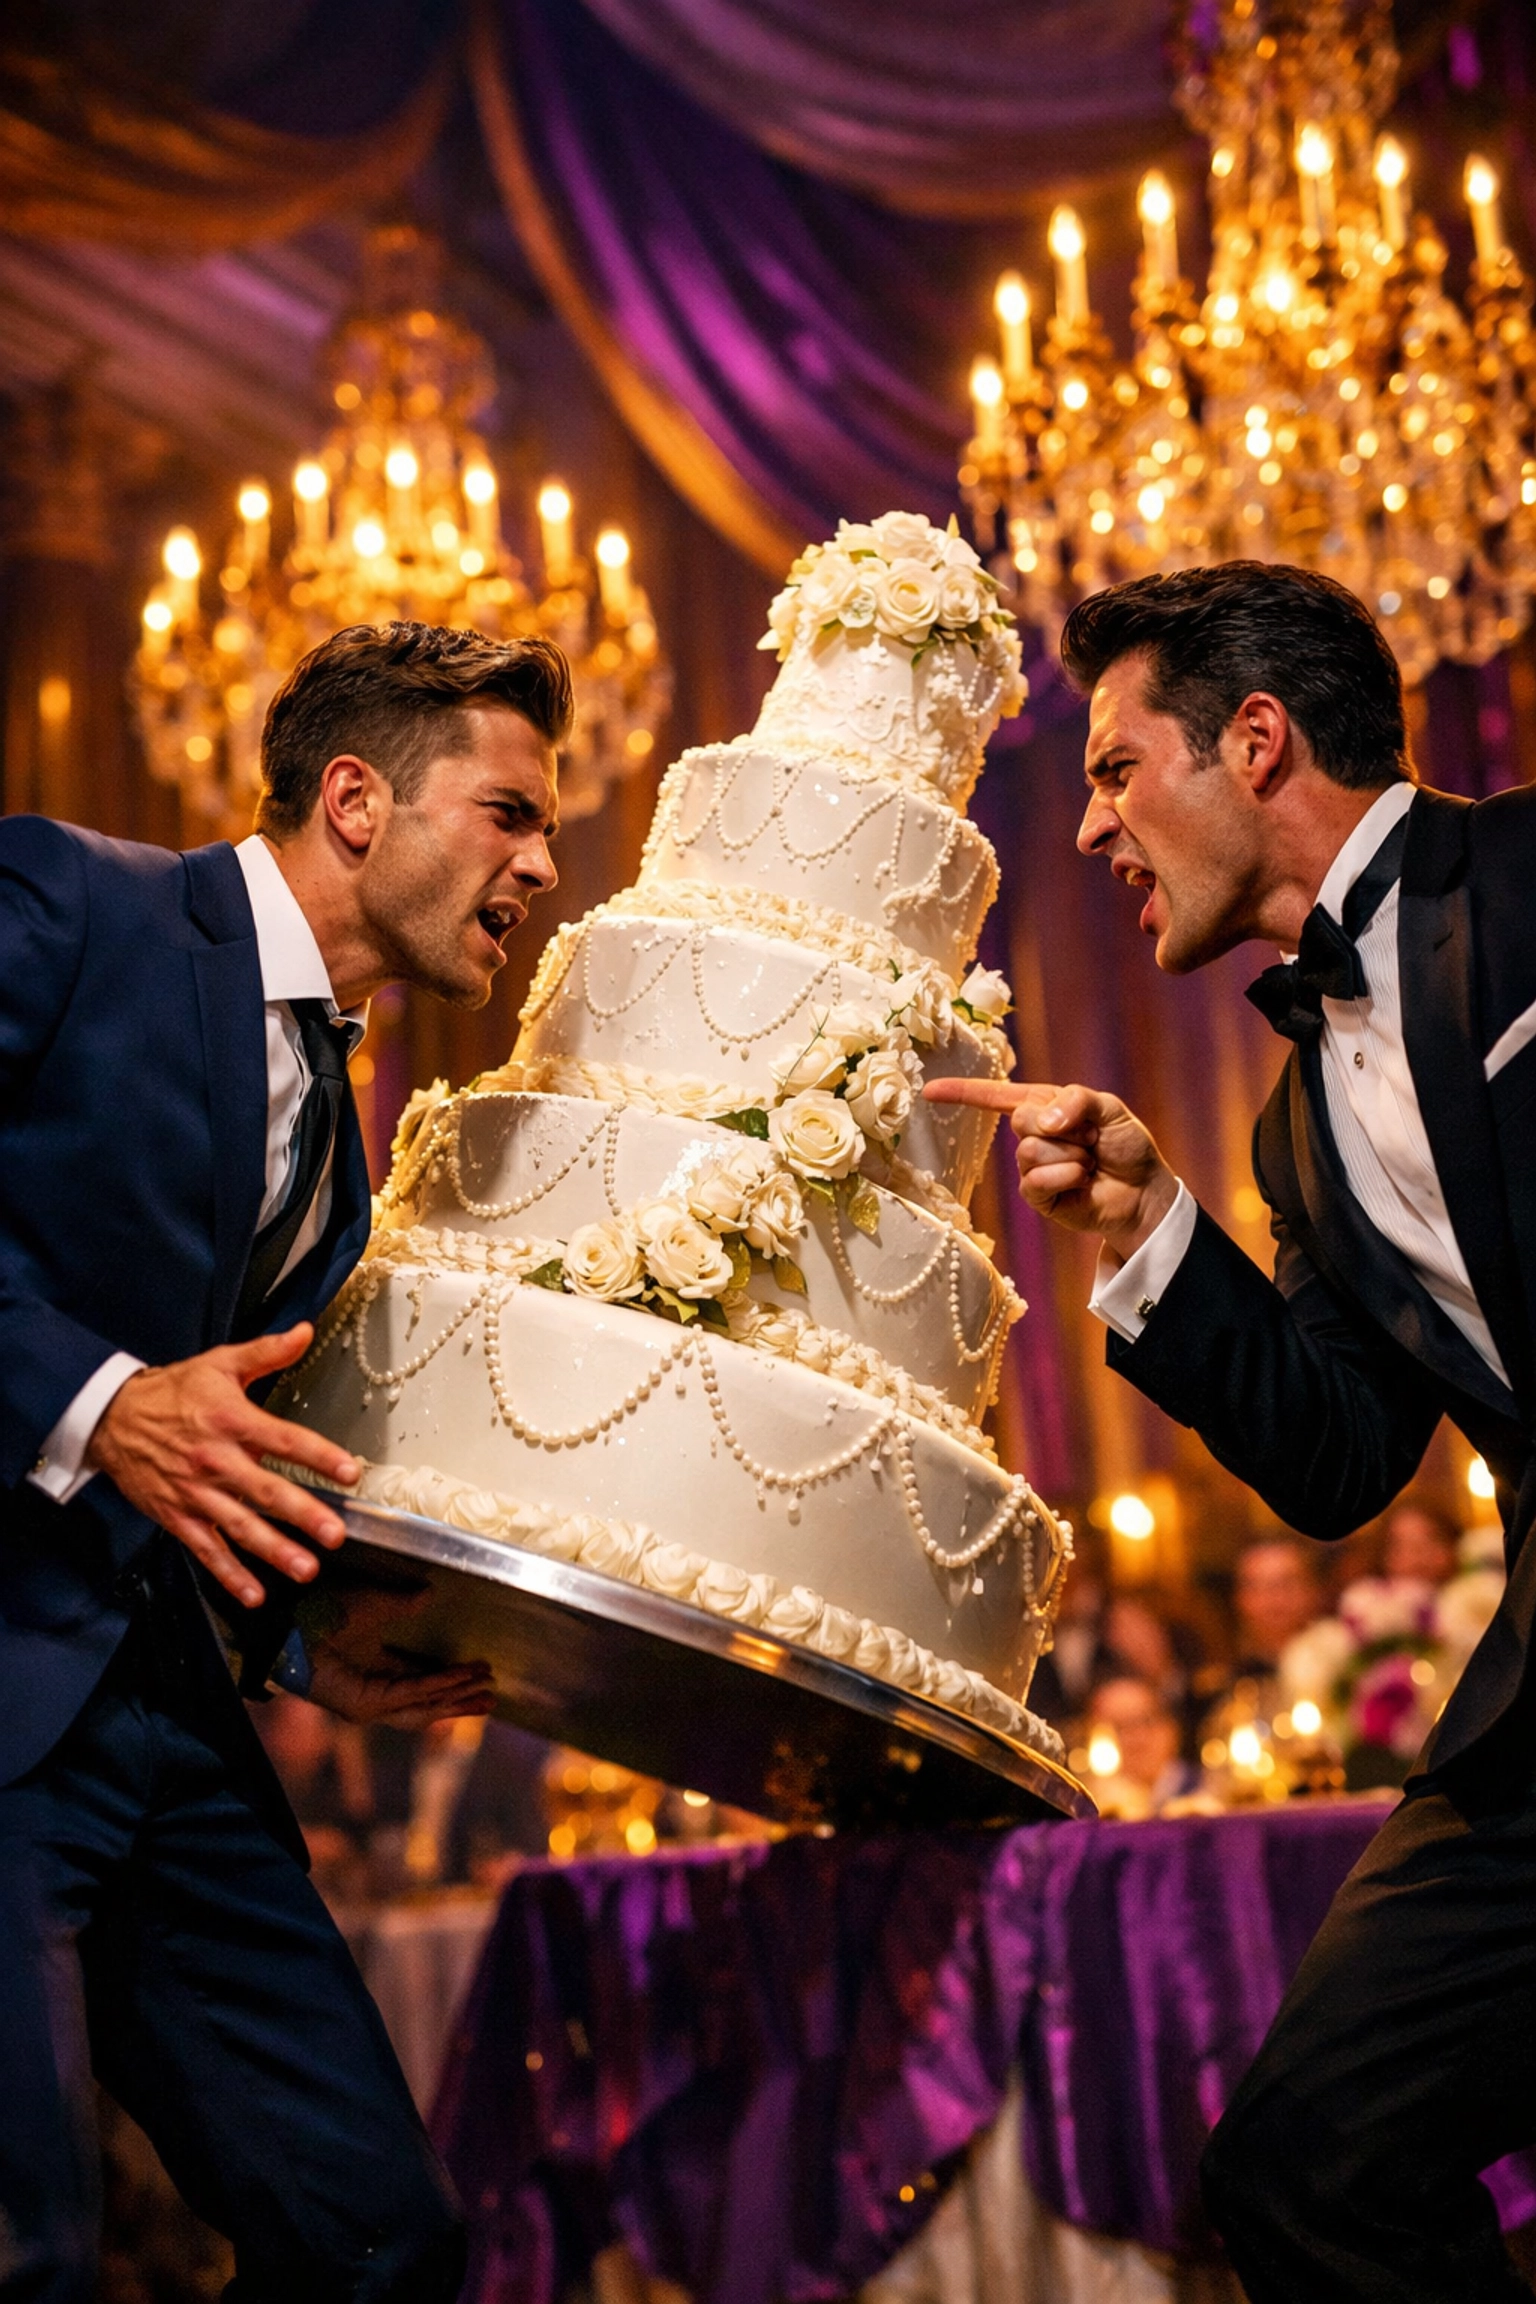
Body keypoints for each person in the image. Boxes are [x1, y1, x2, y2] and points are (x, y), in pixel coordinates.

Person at [928, 560, 1536, 2302]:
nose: (1090, 830)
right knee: (1302, 2157)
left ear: (1255, 739)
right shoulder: (1291, 1138)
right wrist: (1148, 1231)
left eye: (1116, 770)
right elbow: (1343, 1459)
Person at [0, 618, 569, 2302]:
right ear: (353, 800)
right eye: (509, 813)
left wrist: (311, 1638)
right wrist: (99, 1398)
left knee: (382, 2234)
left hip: (172, 1728)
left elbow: (229, 1441)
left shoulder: (339, 1103)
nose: (541, 864)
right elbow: (146, 1408)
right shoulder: (76, 899)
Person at [1084, 1674, 1201, 1818]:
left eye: (1146, 1721)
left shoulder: (1212, 1793)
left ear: (1171, 1728)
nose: (1136, 1737)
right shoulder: (1088, 1811)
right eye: (1118, 1727)